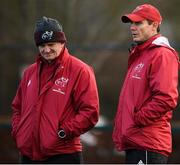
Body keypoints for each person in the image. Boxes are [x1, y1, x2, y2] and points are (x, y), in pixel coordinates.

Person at [11, 16, 99, 164]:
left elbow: (90, 112)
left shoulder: (80, 70)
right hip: (28, 154)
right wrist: (19, 132)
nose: (46, 50)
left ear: (62, 42)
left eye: (51, 44)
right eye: (41, 45)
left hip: (63, 155)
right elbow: (17, 107)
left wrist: (62, 133)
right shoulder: (29, 72)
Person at [112, 4, 179, 164]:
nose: (132, 28)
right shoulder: (141, 54)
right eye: (131, 24)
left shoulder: (162, 54)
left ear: (154, 25)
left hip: (148, 143)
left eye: (138, 23)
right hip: (137, 142)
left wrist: (137, 120)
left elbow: (166, 98)